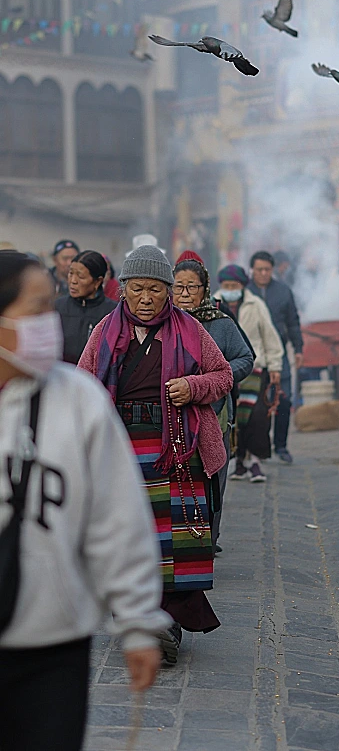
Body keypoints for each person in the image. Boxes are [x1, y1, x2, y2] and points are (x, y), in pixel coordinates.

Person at [0, 252, 167, 750]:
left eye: (50, 307)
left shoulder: (79, 399)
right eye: (34, 310)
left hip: (54, 646)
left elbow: (116, 519)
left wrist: (138, 624)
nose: (49, 324)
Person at [78, 245, 233, 665]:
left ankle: (164, 623)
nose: (145, 299)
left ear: (168, 292)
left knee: (171, 543)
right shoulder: (104, 334)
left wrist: (193, 388)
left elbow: (223, 375)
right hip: (121, 449)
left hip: (177, 451)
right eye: (137, 289)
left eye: (154, 290)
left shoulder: (192, 331)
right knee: (130, 537)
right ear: (123, 290)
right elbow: (82, 384)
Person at [173, 252, 254, 543]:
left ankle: (209, 537)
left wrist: (218, 378)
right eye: (178, 286)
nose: (184, 294)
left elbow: (246, 357)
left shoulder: (220, 323)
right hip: (174, 415)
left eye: (191, 287)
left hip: (215, 412)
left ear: (204, 289)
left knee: (213, 476)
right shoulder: (163, 323)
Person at [216, 264, 284, 482]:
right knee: (234, 417)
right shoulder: (214, 303)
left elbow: (270, 337)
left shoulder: (256, 304)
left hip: (255, 368)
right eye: (226, 285)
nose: (229, 289)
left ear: (242, 285)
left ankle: (254, 460)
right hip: (226, 371)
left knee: (256, 418)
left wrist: (275, 367)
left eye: (233, 285)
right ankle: (238, 460)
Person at [247, 251, 303, 464]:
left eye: (267, 270)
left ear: (273, 270)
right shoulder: (246, 293)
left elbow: (293, 322)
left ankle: (281, 445)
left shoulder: (283, 292)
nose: (263, 273)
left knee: (283, 399)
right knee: (256, 404)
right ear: (252, 270)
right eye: (259, 269)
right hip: (253, 356)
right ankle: (257, 449)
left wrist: (298, 348)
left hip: (279, 354)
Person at [55, 250, 118, 364]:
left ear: (98, 281)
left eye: (81, 276)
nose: (73, 281)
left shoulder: (113, 313)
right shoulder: (57, 307)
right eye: (71, 273)